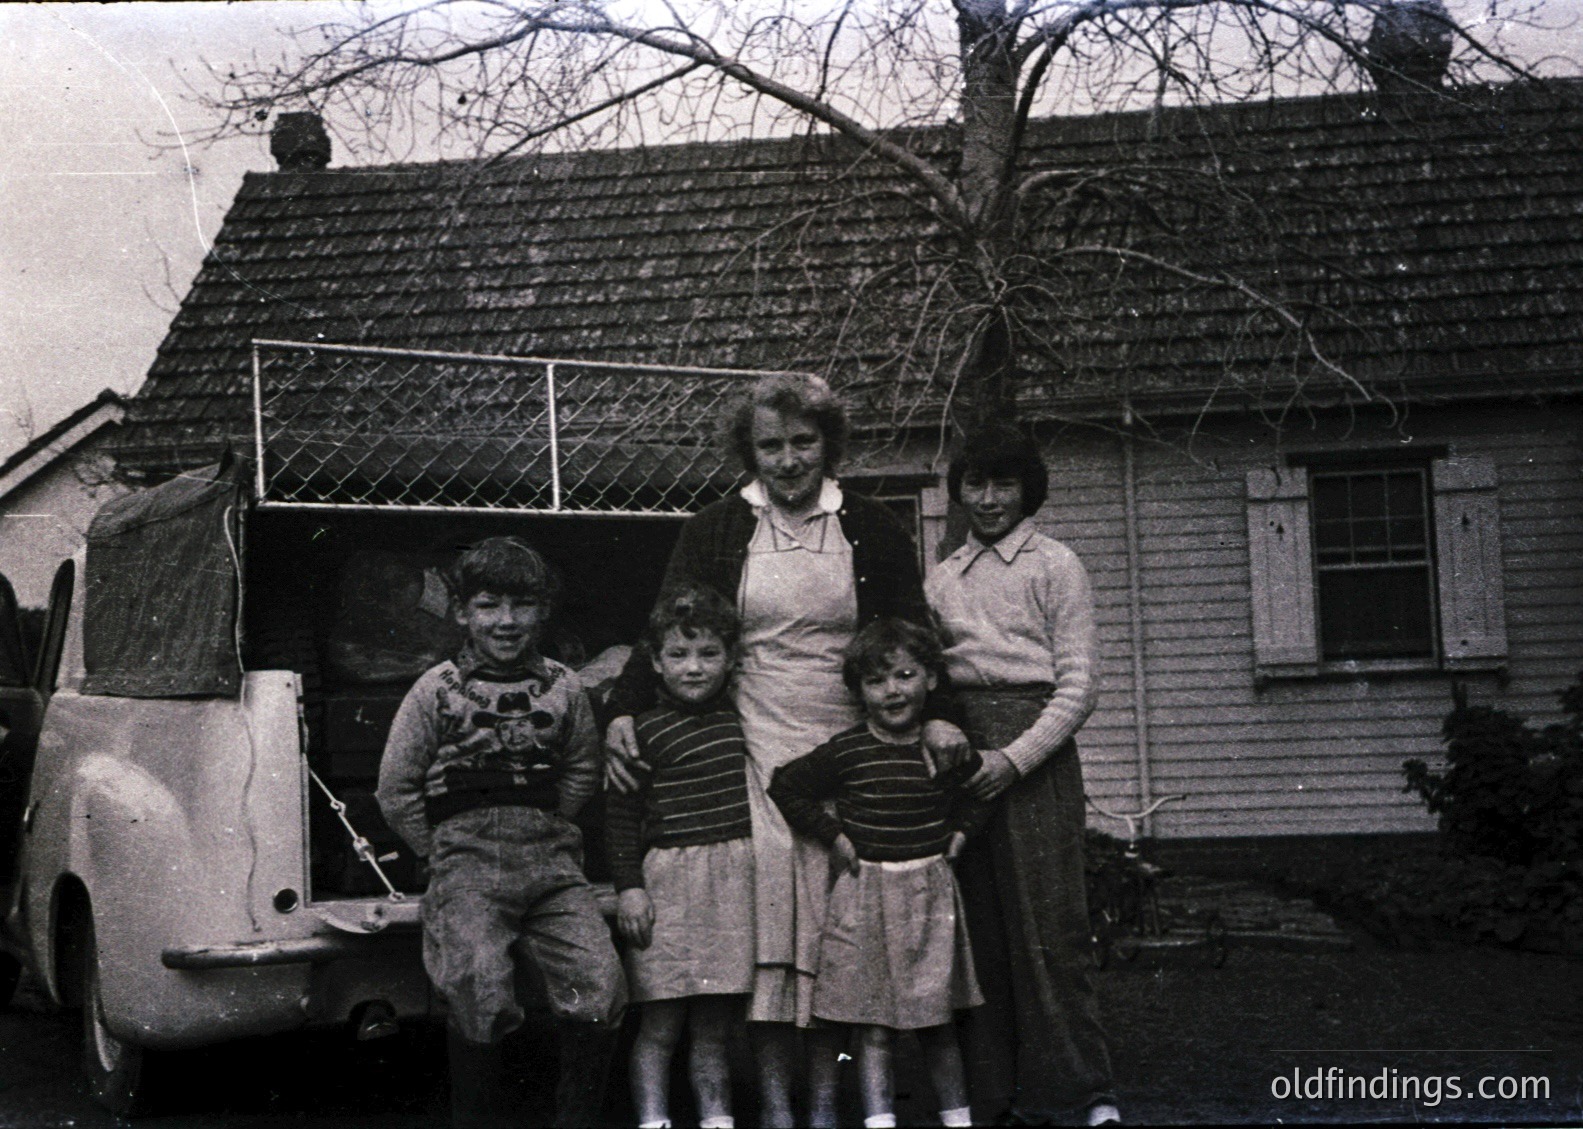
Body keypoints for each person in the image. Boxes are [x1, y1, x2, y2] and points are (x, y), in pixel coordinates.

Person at [604, 373, 969, 1128]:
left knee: (839, 936)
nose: (789, 459)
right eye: (771, 445)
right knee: (775, 937)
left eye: (803, 442)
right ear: (750, 452)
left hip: (853, 743)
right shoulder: (713, 527)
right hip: (758, 745)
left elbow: (911, 628)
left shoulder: (870, 524)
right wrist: (623, 711)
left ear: (828, 444)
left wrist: (938, 715)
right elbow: (666, 626)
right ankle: (774, 1112)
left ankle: (835, 1110)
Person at [376, 536, 625, 1129]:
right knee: (477, 984)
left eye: (522, 605)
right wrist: (433, 849)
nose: (506, 622)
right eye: (489, 605)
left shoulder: (565, 686)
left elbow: (583, 766)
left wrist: (551, 822)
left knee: (601, 983)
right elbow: (396, 786)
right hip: (465, 864)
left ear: (543, 611)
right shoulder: (435, 689)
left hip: (552, 866)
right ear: (462, 612)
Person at [924, 424, 1122, 1127]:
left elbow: (1078, 687)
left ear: (1026, 488)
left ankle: (1080, 1091)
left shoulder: (1055, 565)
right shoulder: (942, 576)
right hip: (961, 757)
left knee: (1051, 928)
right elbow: (928, 678)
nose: (987, 498)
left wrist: (1014, 758)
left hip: (1034, 758)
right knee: (977, 933)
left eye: (1002, 483)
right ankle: (992, 1095)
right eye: (974, 483)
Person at [768, 618, 983, 1129]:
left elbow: (980, 791)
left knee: (939, 1025)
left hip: (930, 895)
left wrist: (962, 834)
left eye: (905, 675)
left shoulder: (945, 747)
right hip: (866, 894)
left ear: (931, 679)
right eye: (876, 681)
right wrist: (834, 836)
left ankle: (958, 1120)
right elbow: (786, 785)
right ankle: (879, 1120)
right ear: (858, 691)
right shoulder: (847, 750)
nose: (892, 691)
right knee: (873, 1027)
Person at [606, 586, 755, 1129]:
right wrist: (629, 887)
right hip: (667, 887)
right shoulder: (640, 732)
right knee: (660, 1026)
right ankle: (653, 1121)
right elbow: (620, 817)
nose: (694, 668)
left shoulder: (745, 724)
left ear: (732, 659)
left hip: (731, 888)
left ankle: (718, 1121)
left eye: (709, 654)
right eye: (678, 654)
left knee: (715, 1030)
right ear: (654, 662)